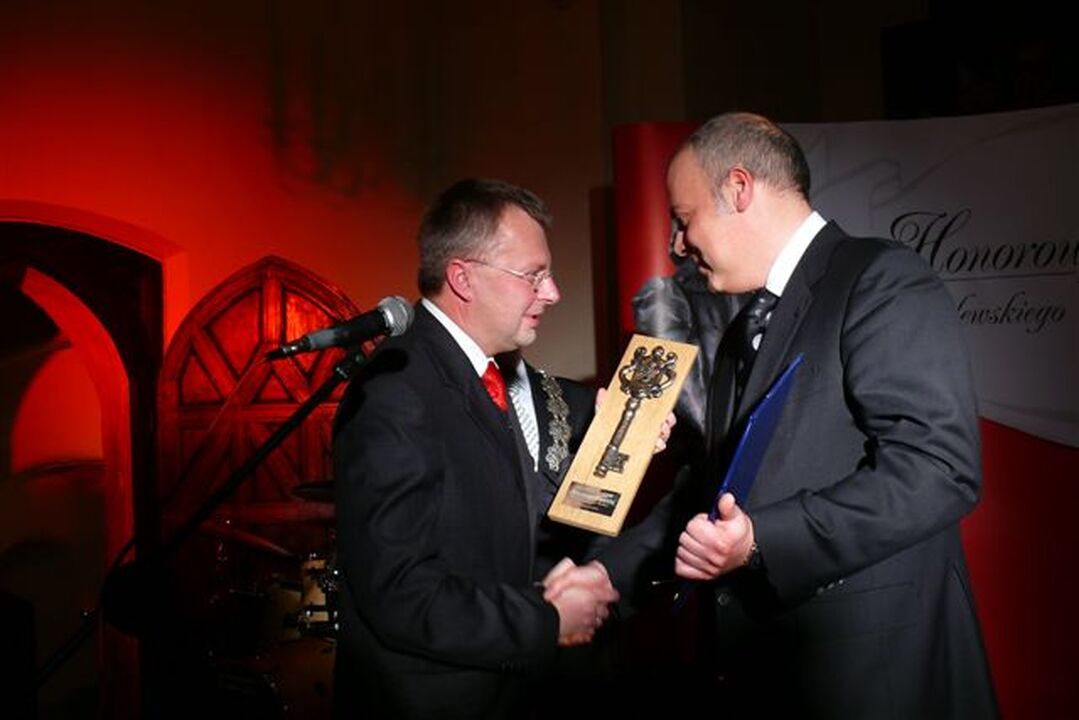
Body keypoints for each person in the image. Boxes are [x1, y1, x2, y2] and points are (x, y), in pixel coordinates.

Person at [549, 111, 999, 717]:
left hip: (876, 681)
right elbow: (709, 491)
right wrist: (609, 577)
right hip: (770, 678)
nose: (677, 245)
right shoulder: (743, 328)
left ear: (739, 189)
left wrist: (762, 541)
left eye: (683, 219)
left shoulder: (882, 279)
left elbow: (938, 470)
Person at [331, 178, 619, 719]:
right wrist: (546, 621)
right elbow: (398, 590)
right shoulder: (396, 388)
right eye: (533, 275)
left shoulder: (479, 375)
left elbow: (515, 531)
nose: (553, 293)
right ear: (462, 278)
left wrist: (619, 446)